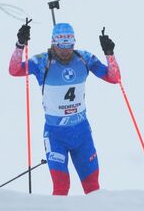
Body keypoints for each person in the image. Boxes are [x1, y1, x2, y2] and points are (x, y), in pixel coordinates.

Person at [8, 22, 121, 195]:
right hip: (55, 135)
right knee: (61, 188)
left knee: (92, 188)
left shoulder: (84, 58)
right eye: (61, 45)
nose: (66, 50)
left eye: (69, 45)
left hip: (82, 133)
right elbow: (14, 70)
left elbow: (114, 78)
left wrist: (109, 54)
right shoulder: (42, 62)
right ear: (53, 42)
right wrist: (20, 45)